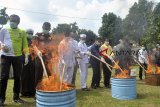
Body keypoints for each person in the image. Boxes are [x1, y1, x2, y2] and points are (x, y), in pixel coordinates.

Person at [0, 14, 29, 106]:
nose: (12, 23)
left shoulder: (22, 32)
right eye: (11, 21)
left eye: (14, 22)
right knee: (4, 77)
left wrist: (27, 56)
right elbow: (0, 41)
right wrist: (2, 46)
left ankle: (16, 98)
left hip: (18, 57)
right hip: (5, 56)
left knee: (17, 77)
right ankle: (1, 99)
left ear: (18, 23)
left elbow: (25, 45)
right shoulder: (4, 30)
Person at [32, 22, 52, 87]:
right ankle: (37, 92)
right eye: (44, 28)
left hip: (48, 58)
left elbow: (53, 47)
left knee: (50, 74)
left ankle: (50, 89)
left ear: (49, 29)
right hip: (39, 57)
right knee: (38, 74)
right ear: (42, 27)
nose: (45, 29)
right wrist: (38, 51)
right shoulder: (37, 35)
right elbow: (34, 45)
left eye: (47, 28)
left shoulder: (51, 37)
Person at [21, 29, 35, 97]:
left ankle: (31, 92)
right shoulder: (23, 41)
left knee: (32, 76)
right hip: (24, 61)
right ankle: (24, 92)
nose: (30, 35)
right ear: (26, 33)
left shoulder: (33, 42)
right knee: (24, 76)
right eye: (29, 33)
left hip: (32, 61)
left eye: (31, 33)